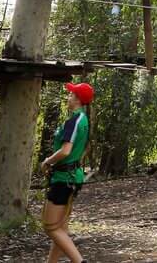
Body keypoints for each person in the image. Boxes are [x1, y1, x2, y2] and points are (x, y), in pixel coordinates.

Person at [41, 81, 93, 263]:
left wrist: (47, 161)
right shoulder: (84, 119)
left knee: (50, 227)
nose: (68, 97)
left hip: (64, 178)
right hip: (71, 177)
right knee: (60, 229)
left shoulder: (74, 121)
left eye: (71, 94)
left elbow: (65, 151)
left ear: (78, 99)